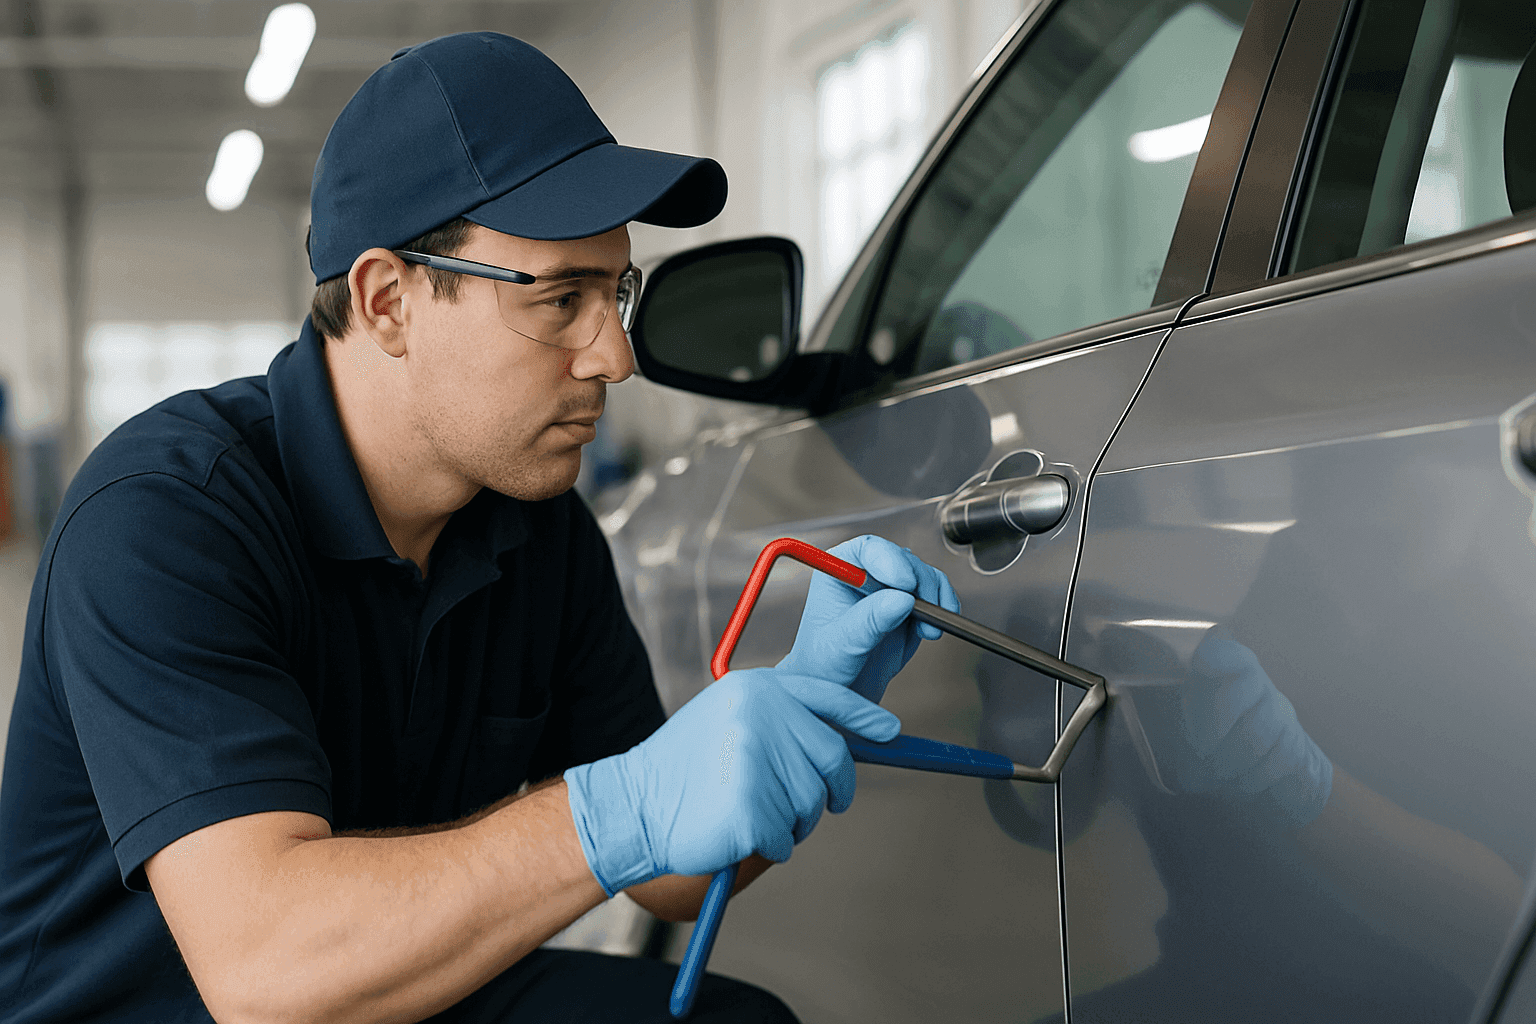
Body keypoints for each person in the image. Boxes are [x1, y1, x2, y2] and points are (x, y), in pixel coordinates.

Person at [0, 32, 959, 1024]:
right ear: (388, 302)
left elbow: (669, 879)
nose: (615, 356)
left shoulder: (537, 531)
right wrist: (613, 809)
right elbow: (266, 967)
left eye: (617, 292)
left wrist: (797, 716)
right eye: (562, 300)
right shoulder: (167, 517)